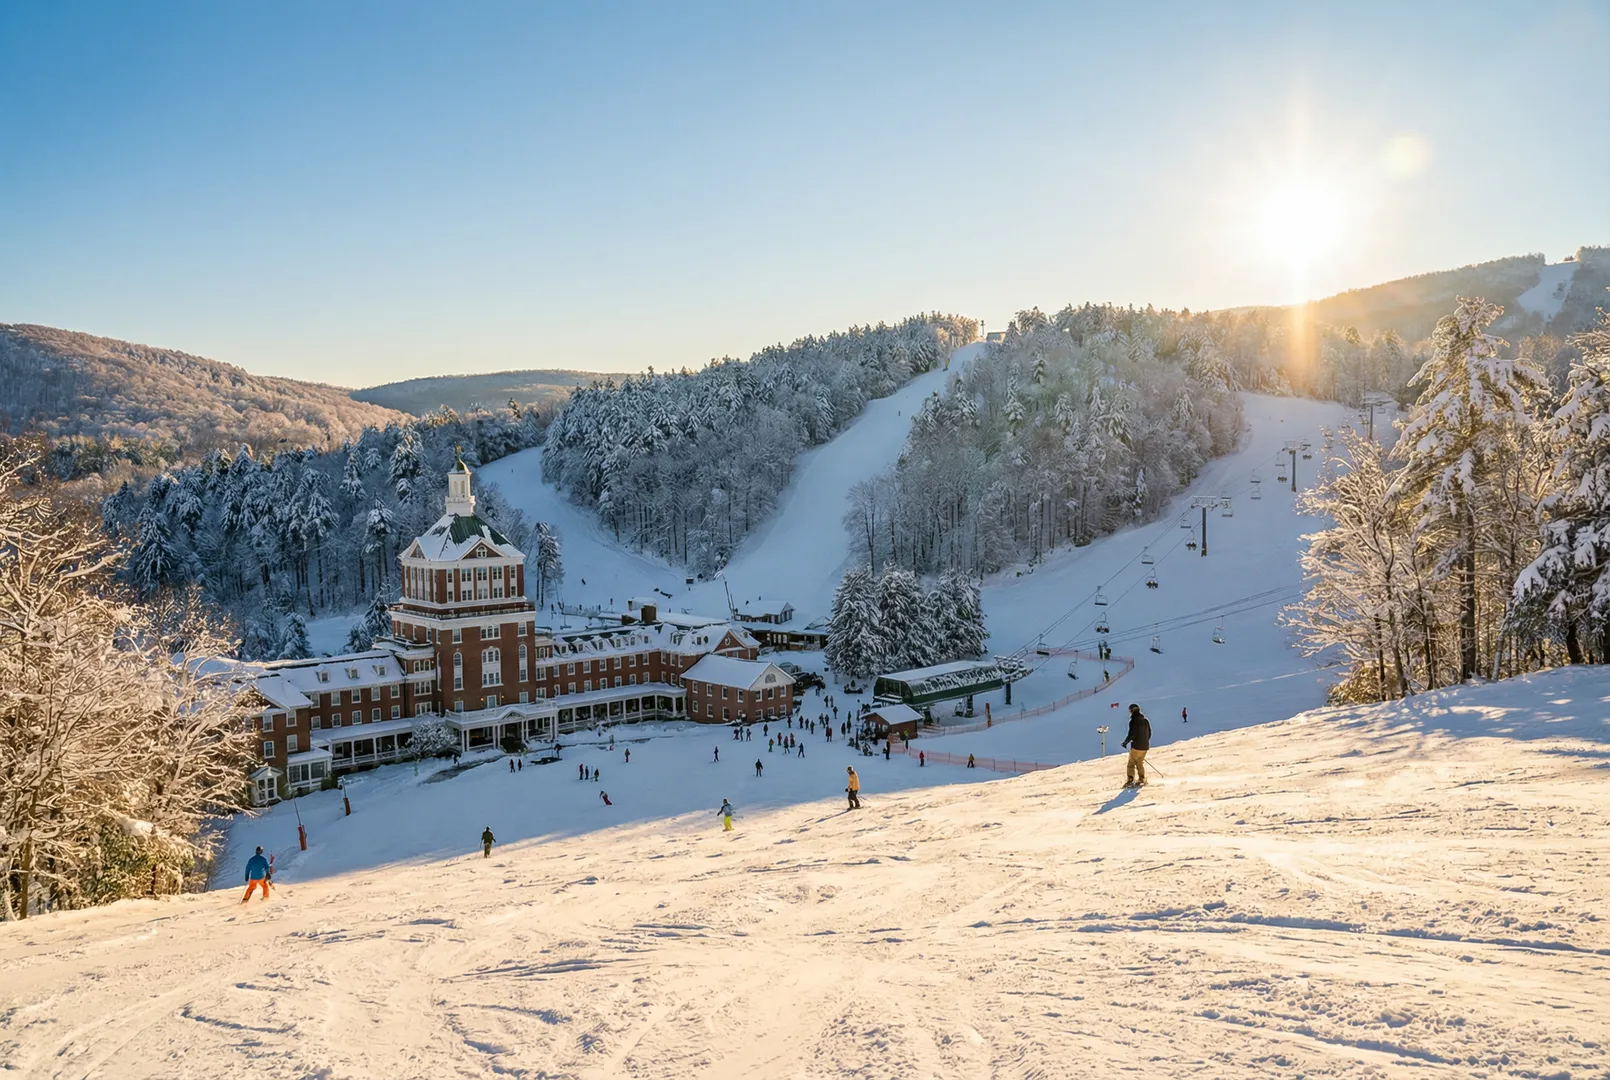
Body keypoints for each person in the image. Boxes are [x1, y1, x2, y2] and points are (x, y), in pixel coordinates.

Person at [1121, 703, 1152, 788]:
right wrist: (1145, 741)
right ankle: (1141, 779)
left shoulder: (1133, 721)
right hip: (1145, 746)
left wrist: (1125, 742)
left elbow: (1132, 734)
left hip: (1137, 746)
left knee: (1131, 763)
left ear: (1132, 711)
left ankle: (1130, 780)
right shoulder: (1145, 720)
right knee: (1139, 762)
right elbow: (1149, 733)